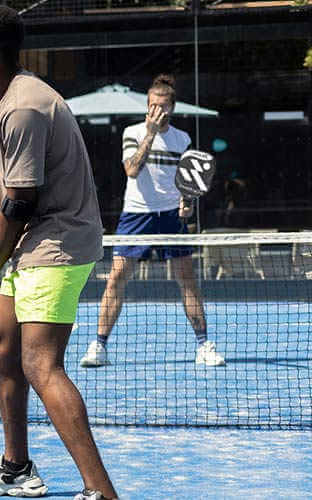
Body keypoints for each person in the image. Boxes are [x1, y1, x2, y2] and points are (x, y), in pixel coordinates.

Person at [0, 6, 118, 500]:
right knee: (3, 346)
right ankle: (17, 466)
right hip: (32, 241)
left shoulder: (24, 106)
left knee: (41, 364)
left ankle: (100, 492)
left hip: (59, 241)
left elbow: (19, 203)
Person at [79, 74, 226, 369]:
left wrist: (186, 204)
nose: (156, 111)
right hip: (136, 214)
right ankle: (99, 345)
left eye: (162, 106)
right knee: (116, 279)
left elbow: (185, 181)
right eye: (152, 106)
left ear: (171, 107)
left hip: (171, 216)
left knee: (187, 280)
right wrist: (149, 133)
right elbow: (132, 170)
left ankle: (204, 345)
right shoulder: (132, 133)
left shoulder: (182, 139)